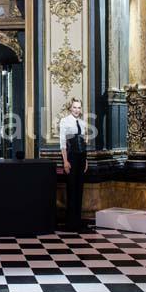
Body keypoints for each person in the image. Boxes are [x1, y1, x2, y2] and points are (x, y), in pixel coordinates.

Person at [59, 98, 89, 231]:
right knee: (71, 189)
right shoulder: (65, 121)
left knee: (79, 189)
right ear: (70, 108)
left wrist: (86, 160)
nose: (77, 110)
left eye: (79, 107)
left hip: (82, 158)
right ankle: (70, 223)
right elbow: (63, 144)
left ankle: (78, 221)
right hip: (71, 158)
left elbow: (84, 144)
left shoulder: (82, 123)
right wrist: (65, 161)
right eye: (75, 107)